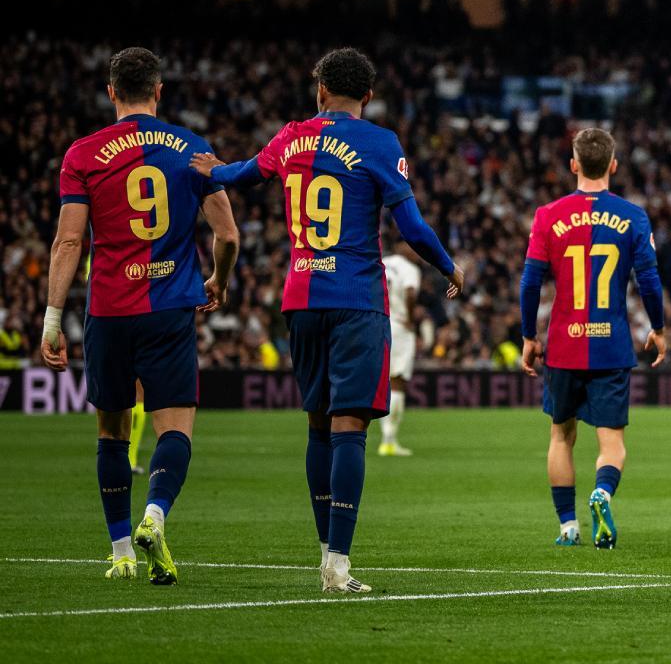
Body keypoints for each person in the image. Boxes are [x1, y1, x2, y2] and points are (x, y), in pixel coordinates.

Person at [192, 47, 464, 593]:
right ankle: (337, 565)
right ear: (366, 96)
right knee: (350, 429)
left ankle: (324, 554)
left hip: (301, 297)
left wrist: (209, 170)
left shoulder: (292, 136)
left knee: (317, 424)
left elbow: (242, 175)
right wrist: (447, 265)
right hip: (357, 298)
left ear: (320, 91)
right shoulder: (381, 143)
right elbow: (409, 225)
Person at [41, 46, 240, 585]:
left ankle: (123, 551)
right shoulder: (193, 149)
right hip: (170, 308)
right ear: (159, 91)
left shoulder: (82, 154)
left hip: (108, 310)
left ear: (111, 93)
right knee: (175, 426)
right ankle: (156, 515)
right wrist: (218, 280)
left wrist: (52, 320)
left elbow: (67, 241)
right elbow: (227, 235)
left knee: (111, 431)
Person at [518, 128, 667, 549]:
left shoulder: (548, 215)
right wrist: (658, 328)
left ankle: (568, 527)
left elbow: (530, 282)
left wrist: (529, 335)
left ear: (574, 164)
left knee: (561, 435)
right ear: (614, 166)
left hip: (564, 344)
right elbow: (650, 282)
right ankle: (602, 492)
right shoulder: (634, 217)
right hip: (611, 344)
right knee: (612, 441)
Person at [378, 245, 425, 457]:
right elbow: (411, 292)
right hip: (398, 324)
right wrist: (410, 316)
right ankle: (389, 440)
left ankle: (386, 438)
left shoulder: (383, 262)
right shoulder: (410, 269)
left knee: (382, 380)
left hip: (376, 322)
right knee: (396, 382)